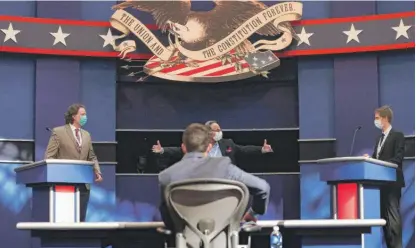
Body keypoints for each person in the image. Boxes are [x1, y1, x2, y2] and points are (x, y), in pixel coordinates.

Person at [158, 123, 270, 231]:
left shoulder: (166, 176)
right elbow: (263, 188)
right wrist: (252, 213)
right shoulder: (226, 168)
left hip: (183, 240)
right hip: (225, 238)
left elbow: (167, 215)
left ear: (183, 147)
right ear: (208, 147)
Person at [45, 103, 103, 222]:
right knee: (65, 220)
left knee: (80, 220)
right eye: (82, 114)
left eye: (85, 114)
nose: (85, 117)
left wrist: (97, 171)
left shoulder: (87, 135)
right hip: (65, 185)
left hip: (83, 184)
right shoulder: (59, 132)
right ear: (73, 116)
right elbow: (49, 157)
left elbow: (91, 156)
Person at [364, 106, 405, 248]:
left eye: (377, 118)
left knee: (392, 216)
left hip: (392, 182)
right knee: (384, 219)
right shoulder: (378, 139)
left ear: (385, 118)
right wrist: (370, 159)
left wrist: (381, 163)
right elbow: (376, 158)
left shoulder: (398, 136)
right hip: (380, 184)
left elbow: (398, 158)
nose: (375, 121)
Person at [152, 120, 273, 165]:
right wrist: (162, 150)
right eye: (217, 130)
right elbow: (180, 151)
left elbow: (243, 150)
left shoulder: (227, 143)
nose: (220, 132)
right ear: (208, 132)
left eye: (220, 130)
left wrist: (261, 149)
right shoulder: (199, 143)